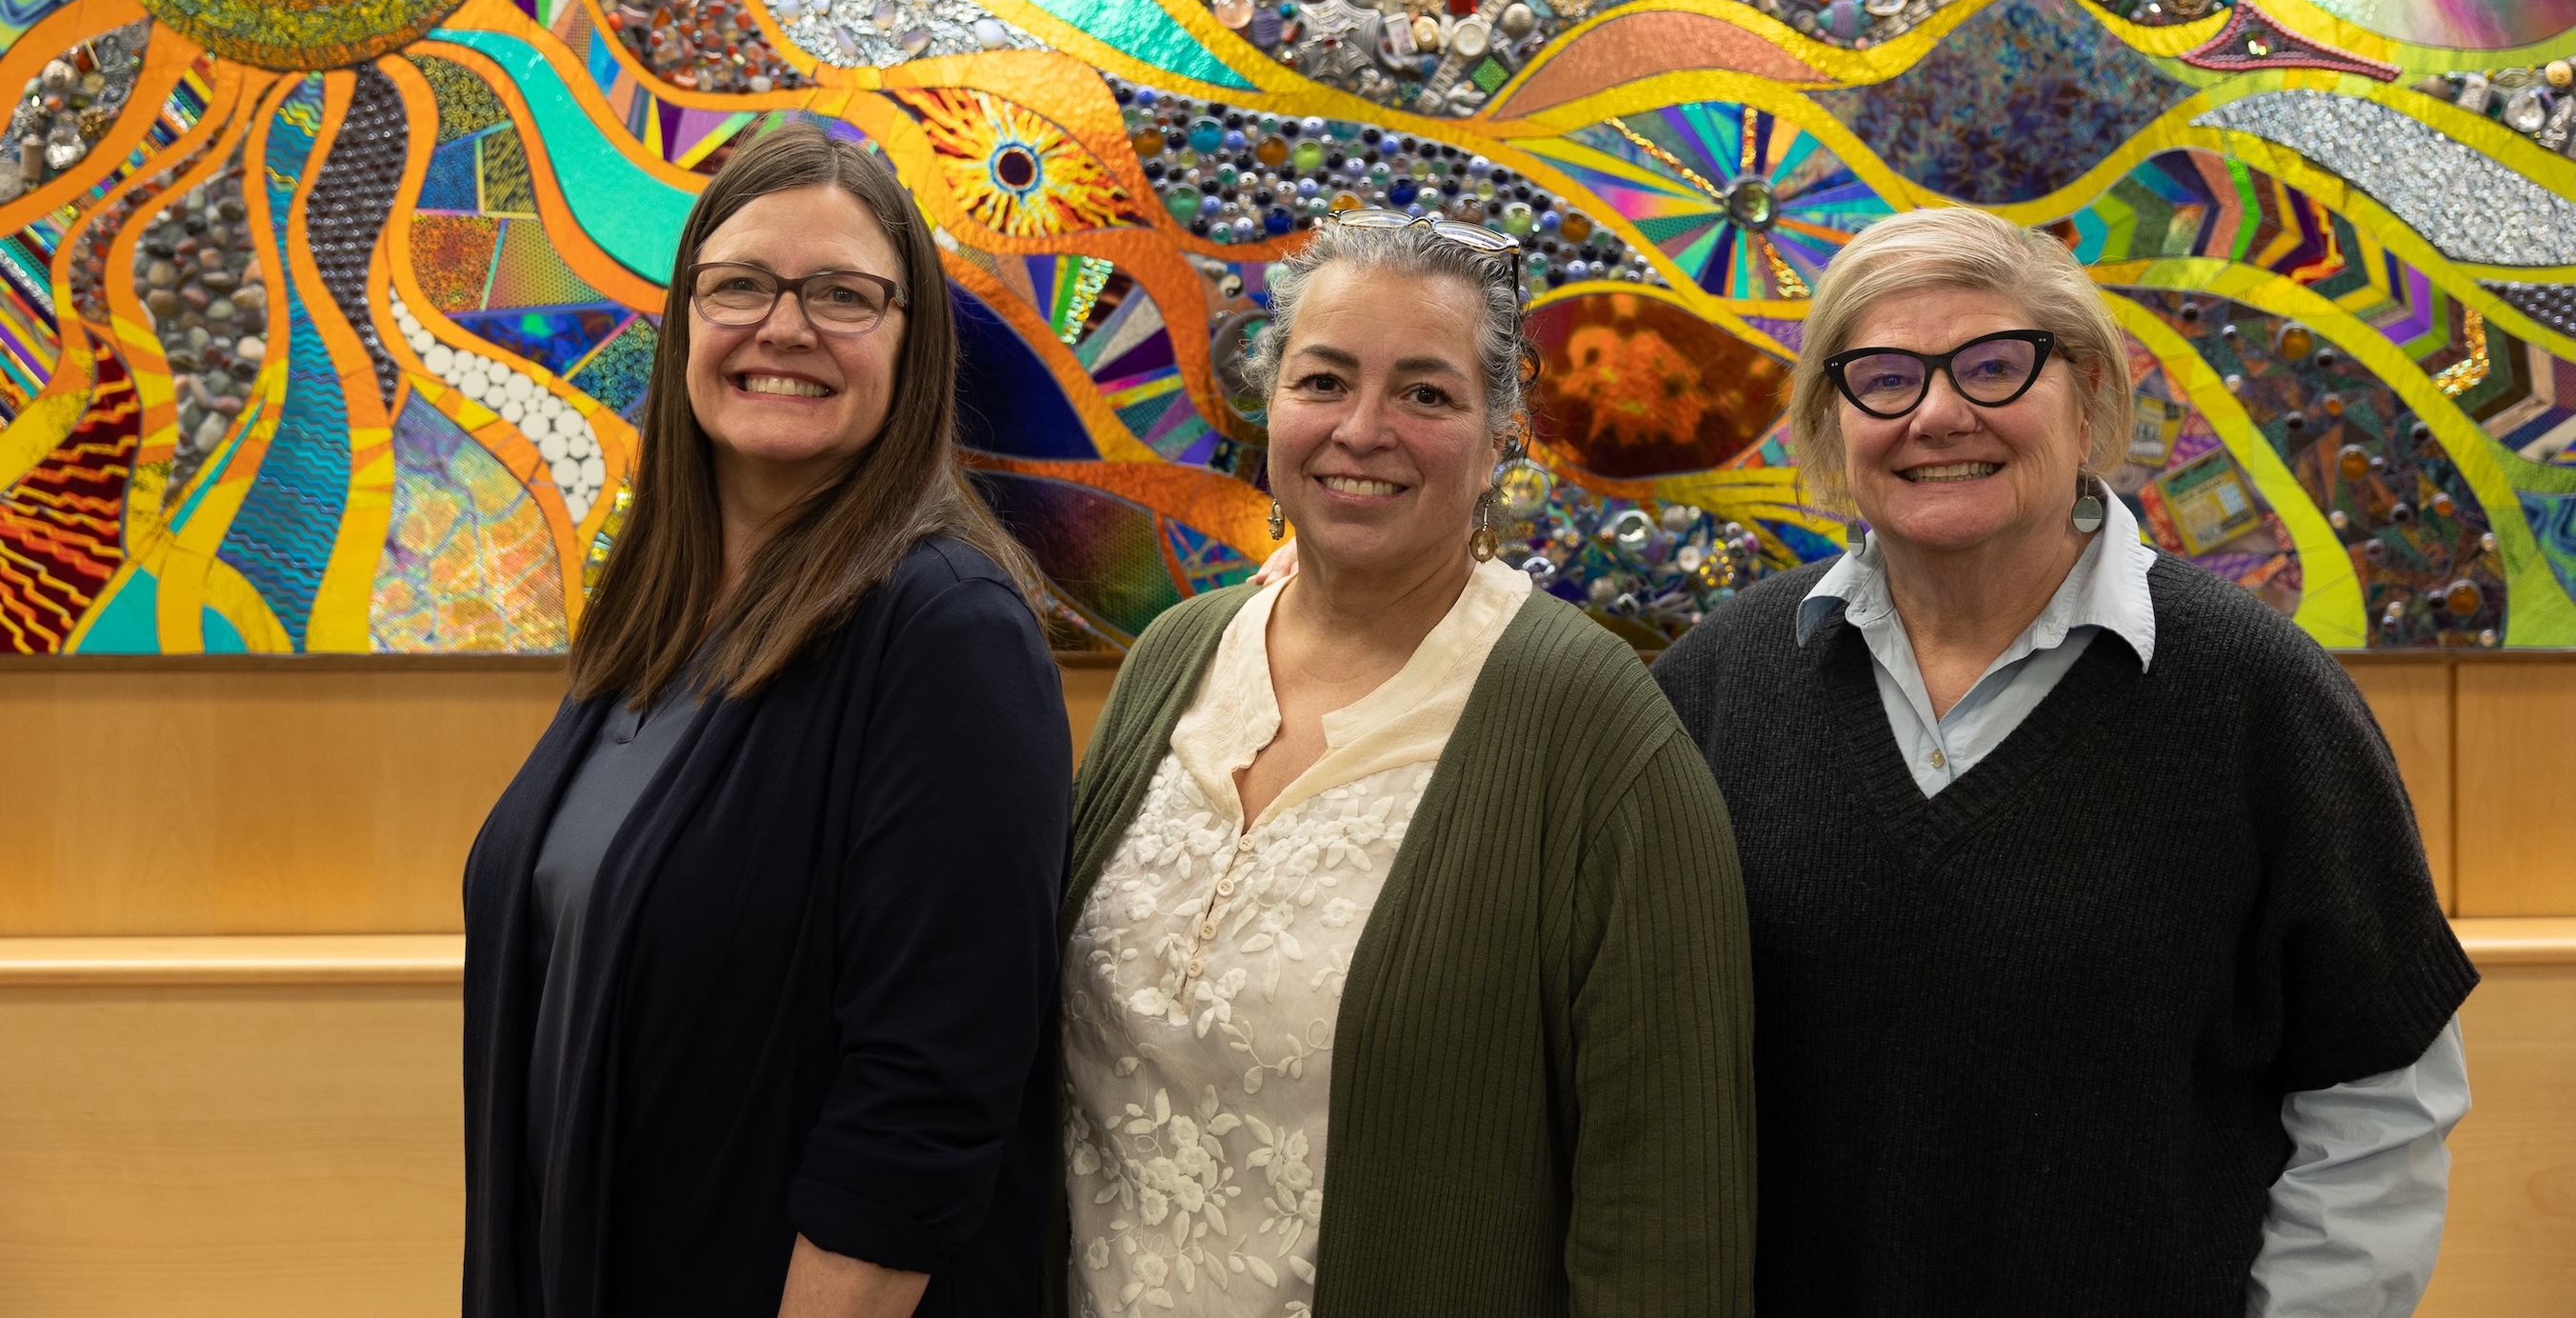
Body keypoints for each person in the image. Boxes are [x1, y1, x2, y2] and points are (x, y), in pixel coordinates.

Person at [1653, 206, 2477, 1316]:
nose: (1938, 414)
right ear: (1829, 423)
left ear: (2085, 395)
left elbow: (2375, 1101)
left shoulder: (2257, 697)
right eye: (1882, 377)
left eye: (1994, 367)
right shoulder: (1721, 684)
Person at [1054, 211, 1757, 1317]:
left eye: (1425, 394)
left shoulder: (1592, 733)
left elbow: (1663, 1214)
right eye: (1323, 380)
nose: (1361, 429)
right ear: (1271, 405)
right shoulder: (1172, 663)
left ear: (1499, 439)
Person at [462, 123, 1070, 1318]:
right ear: (685, 318)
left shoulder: (946, 632)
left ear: (913, 343)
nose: (782, 328)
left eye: (842, 295)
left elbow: (925, 1097)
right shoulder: (656, 615)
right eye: (738, 285)